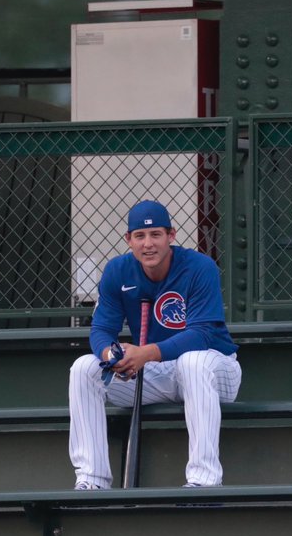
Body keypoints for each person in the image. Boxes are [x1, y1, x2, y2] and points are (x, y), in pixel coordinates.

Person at [69, 199, 241, 489]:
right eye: (140, 236)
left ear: (171, 236)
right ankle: (92, 479)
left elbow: (201, 335)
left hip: (215, 369)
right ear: (129, 240)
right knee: (84, 368)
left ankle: (204, 480)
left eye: (156, 235)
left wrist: (145, 354)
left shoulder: (200, 266)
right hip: (157, 372)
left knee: (192, 361)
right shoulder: (118, 271)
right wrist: (113, 355)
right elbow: (101, 329)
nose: (148, 244)